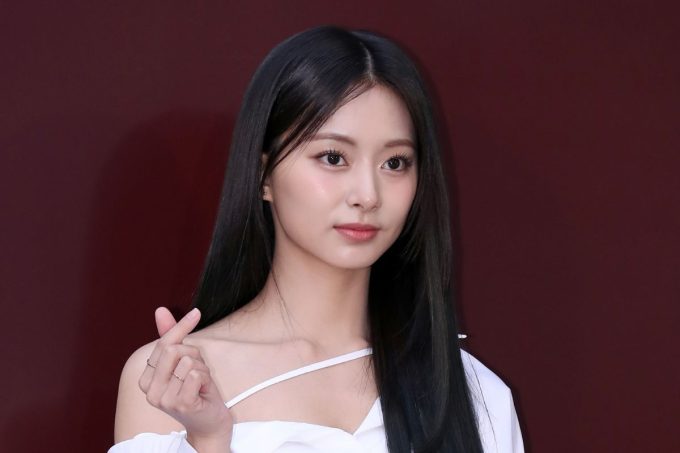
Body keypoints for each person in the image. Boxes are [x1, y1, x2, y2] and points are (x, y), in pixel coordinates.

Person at [110, 25, 524, 453]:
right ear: (262, 175)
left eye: (395, 163)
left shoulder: (476, 395)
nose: (367, 195)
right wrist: (208, 440)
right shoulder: (173, 381)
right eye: (333, 157)